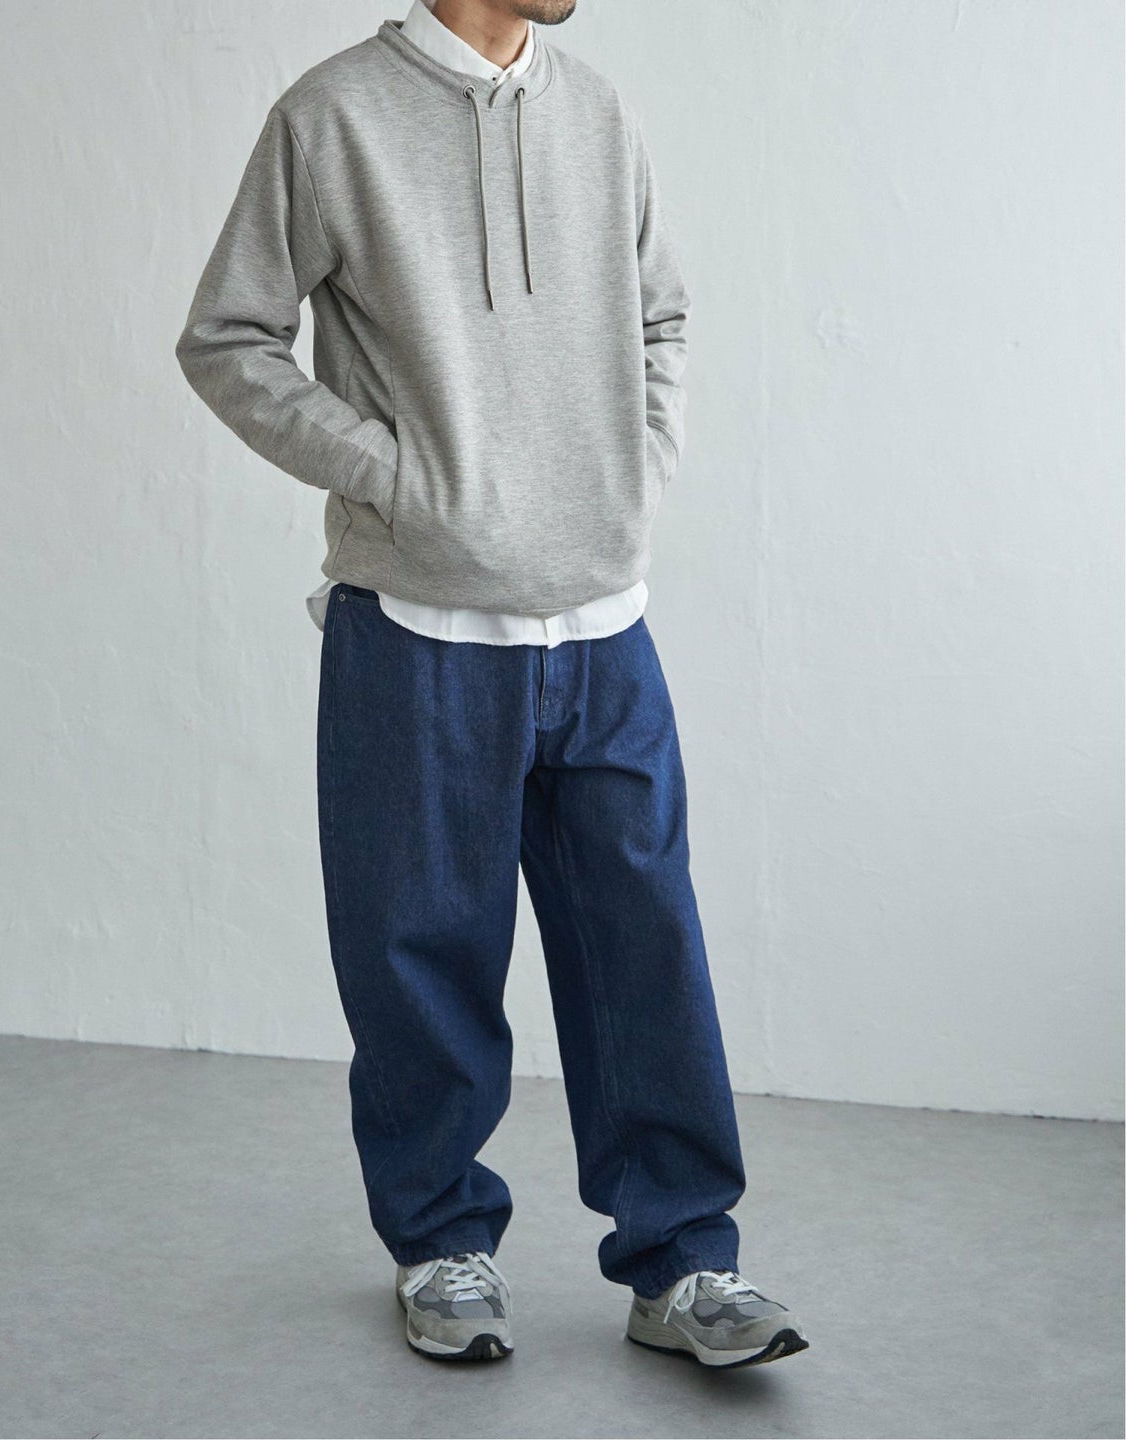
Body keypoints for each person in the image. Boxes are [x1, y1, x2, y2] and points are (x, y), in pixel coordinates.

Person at [175, 0, 808, 1369]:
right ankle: (441, 1243)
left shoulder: (600, 112)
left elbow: (663, 314)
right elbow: (227, 338)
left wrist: (632, 476)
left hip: (603, 629)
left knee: (645, 952)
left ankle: (684, 1262)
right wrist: (397, 479)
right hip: (419, 629)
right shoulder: (332, 117)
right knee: (421, 954)